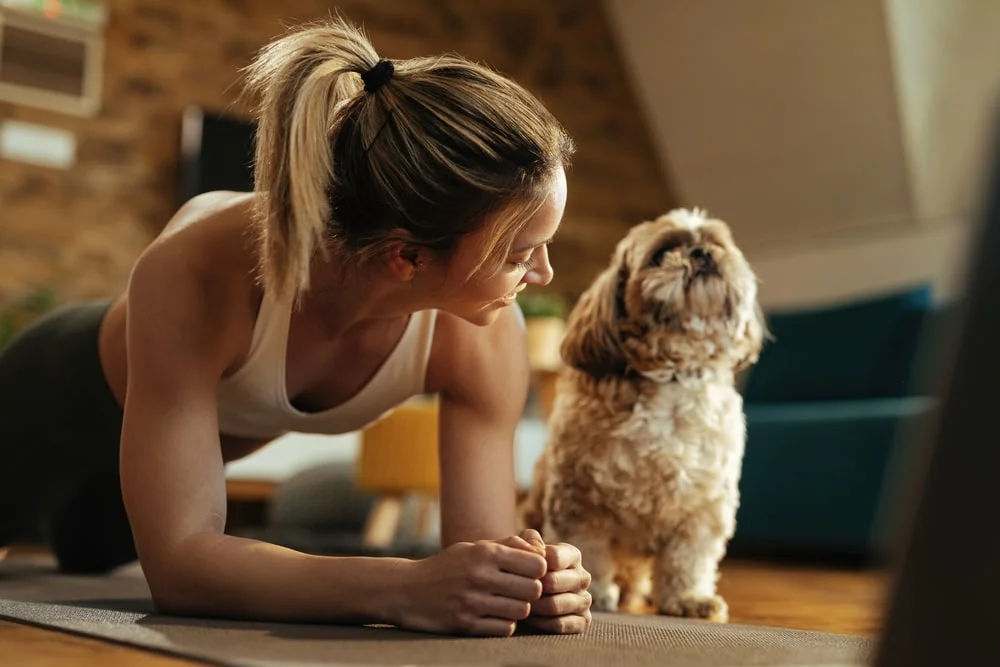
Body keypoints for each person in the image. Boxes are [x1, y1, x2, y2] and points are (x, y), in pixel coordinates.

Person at [0, 16, 592, 636]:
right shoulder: (200, 268)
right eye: (519, 254)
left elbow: (481, 557)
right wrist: (401, 585)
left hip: (139, 489)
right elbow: (180, 571)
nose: (544, 275)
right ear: (406, 257)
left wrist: (528, 585)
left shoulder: (488, 333)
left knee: (89, 560)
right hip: (43, 412)